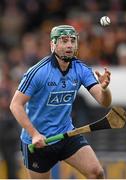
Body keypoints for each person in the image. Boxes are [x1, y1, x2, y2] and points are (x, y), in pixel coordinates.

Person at [10, 25, 112, 179]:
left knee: (96, 173)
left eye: (73, 41)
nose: (70, 45)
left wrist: (105, 89)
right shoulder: (38, 72)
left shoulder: (81, 69)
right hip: (38, 142)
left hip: (66, 134)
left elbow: (104, 102)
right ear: (53, 45)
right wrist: (35, 134)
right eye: (64, 41)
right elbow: (15, 105)